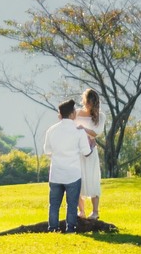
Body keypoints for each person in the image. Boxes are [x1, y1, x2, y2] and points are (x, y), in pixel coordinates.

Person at [43, 98, 95, 232]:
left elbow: (47, 151)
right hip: (73, 174)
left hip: (56, 174)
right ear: (72, 114)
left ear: (60, 114)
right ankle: (70, 229)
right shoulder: (78, 131)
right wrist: (92, 146)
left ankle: (52, 228)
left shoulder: (51, 130)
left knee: (54, 205)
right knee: (71, 205)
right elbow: (86, 153)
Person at [75, 88, 104, 220]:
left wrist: (84, 129)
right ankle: (81, 211)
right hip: (78, 151)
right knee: (78, 178)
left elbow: (96, 133)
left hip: (91, 151)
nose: (88, 105)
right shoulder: (76, 113)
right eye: (87, 102)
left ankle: (95, 211)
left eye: (91, 103)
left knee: (92, 178)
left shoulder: (100, 116)